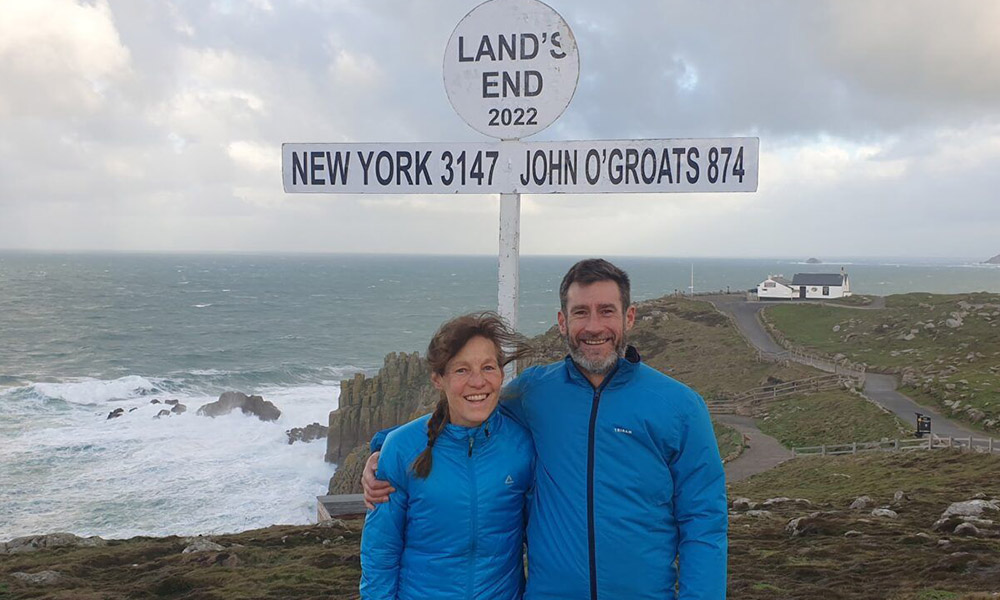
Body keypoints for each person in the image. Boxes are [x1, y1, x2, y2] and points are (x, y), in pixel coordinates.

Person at [365, 259, 728, 599]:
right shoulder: (534, 391)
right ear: (562, 321)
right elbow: (468, 408)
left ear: (629, 317)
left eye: (607, 311)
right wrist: (385, 448)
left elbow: (704, 522)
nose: (594, 327)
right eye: (580, 313)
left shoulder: (680, 406)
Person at [359, 312, 534, 600]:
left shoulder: (522, 445)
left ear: (502, 374)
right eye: (461, 370)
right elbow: (380, 553)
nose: (478, 382)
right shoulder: (401, 448)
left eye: (488, 367)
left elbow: (540, 538)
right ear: (438, 379)